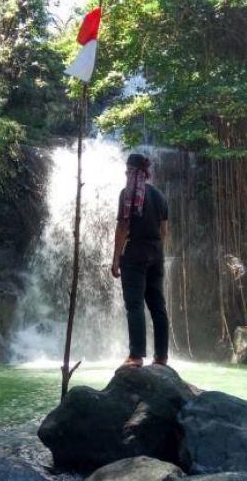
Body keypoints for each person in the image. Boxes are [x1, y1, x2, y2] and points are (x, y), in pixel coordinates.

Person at [111, 153, 169, 367]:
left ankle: (136, 356)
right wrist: (156, 251)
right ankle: (161, 356)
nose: (126, 173)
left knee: (134, 304)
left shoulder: (127, 194)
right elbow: (164, 230)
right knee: (157, 306)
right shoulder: (159, 195)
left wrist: (115, 258)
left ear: (134, 171)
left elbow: (122, 227)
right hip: (156, 254)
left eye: (128, 170)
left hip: (134, 254)